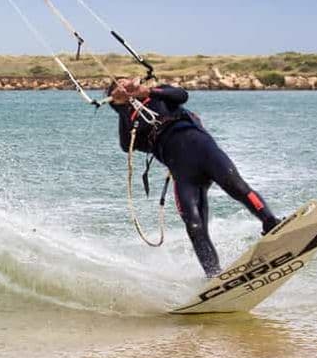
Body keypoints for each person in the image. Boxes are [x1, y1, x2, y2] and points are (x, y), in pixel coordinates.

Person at [107, 77, 281, 278]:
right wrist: (120, 109)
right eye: (118, 86)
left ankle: (271, 223)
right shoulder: (131, 121)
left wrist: (147, 92)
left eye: (124, 81)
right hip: (183, 172)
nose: (123, 85)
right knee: (194, 225)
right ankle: (214, 275)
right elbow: (126, 144)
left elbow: (182, 95)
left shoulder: (159, 95)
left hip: (204, 150)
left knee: (238, 187)